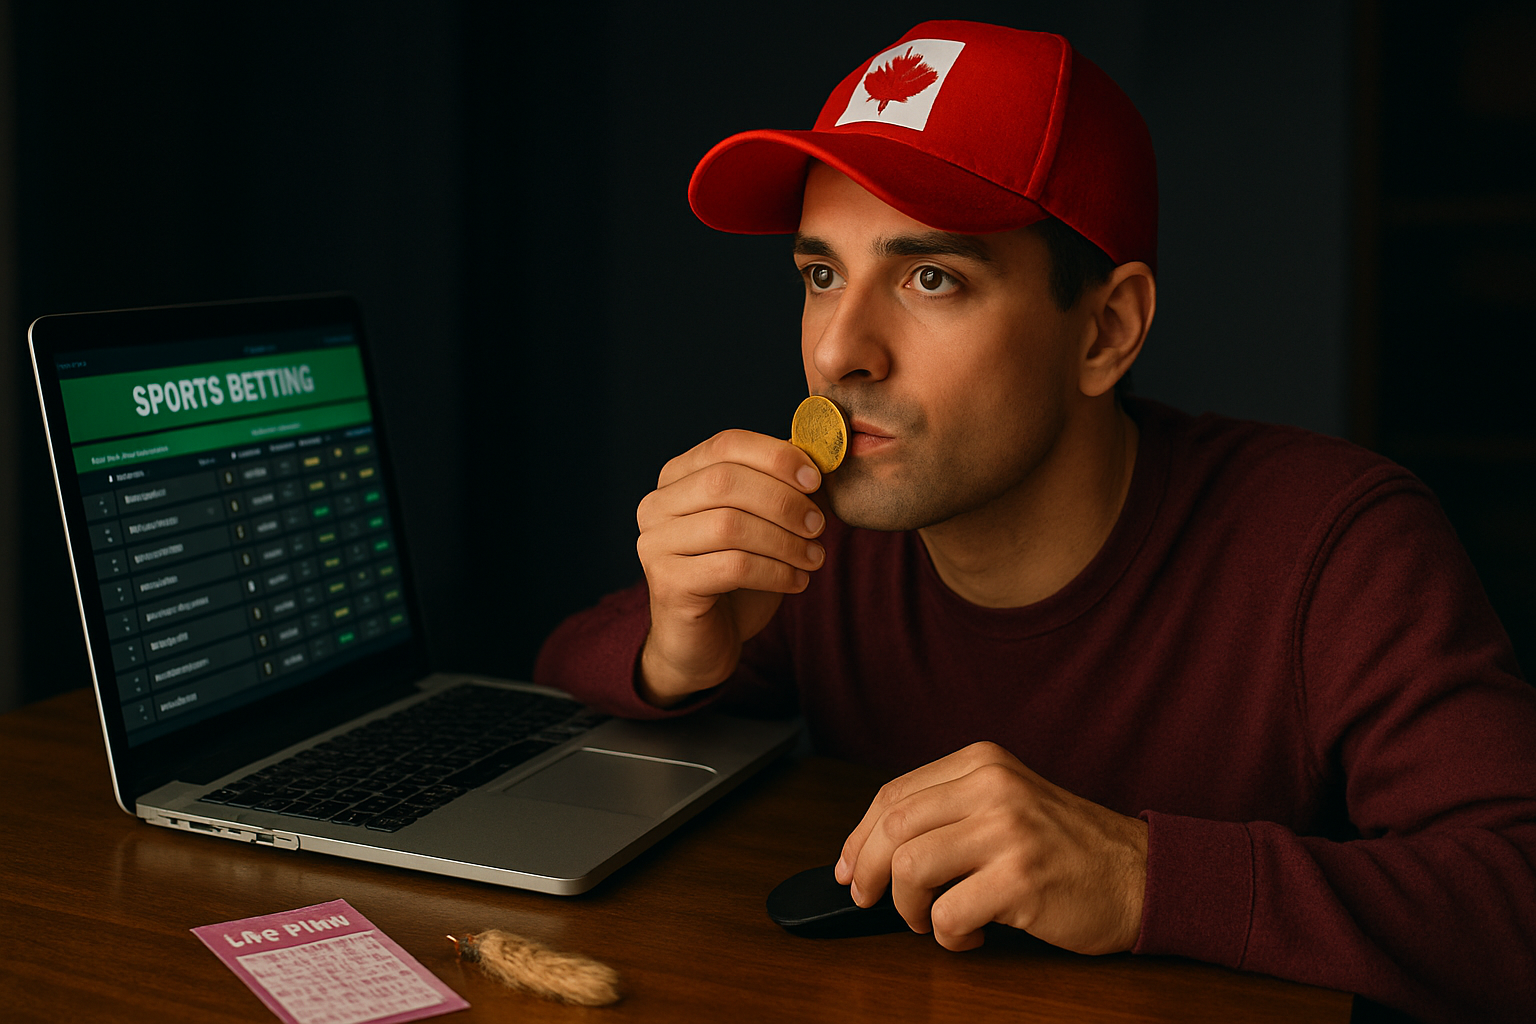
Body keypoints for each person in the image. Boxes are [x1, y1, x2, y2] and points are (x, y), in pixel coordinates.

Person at [534, 20, 1536, 1023]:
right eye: (820, 275)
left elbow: (1515, 899)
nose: (840, 352)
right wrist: (677, 646)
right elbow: (563, 673)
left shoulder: (1337, 542)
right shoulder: (827, 533)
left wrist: (1140, 877)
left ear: (1105, 332)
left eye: (932, 278)